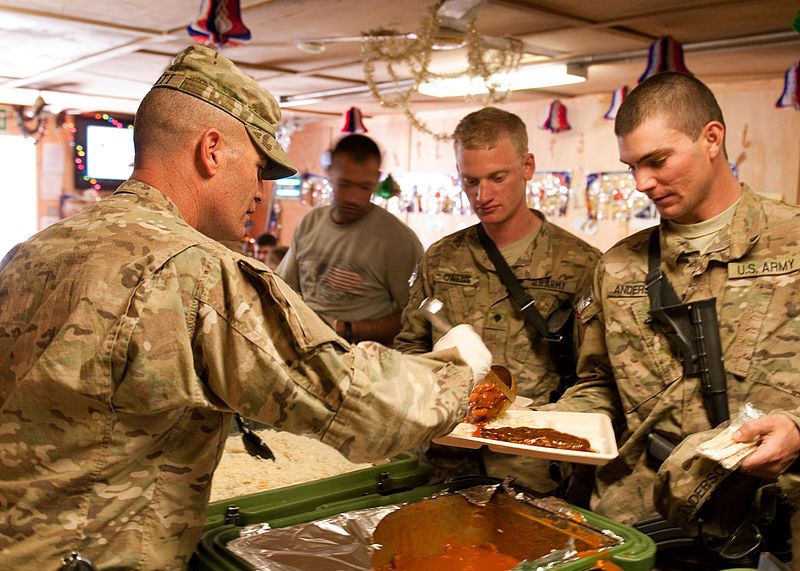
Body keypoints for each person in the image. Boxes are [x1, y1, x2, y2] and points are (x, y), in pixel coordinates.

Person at [0, 45, 493, 569]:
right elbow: (368, 412)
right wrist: (460, 371)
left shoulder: (33, 251)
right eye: (258, 168)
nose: (260, 194)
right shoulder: (197, 271)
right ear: (212, 150)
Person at [549, 72, 800, 566]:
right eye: (632, 166)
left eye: (657, 161)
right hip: (641, 520)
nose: (642, 183)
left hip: (774, 522)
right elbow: (599, 383)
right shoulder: (617, 266)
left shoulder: (793, 245)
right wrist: (534, 424)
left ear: (711, 138)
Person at [394, 107, 601, 494]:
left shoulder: (580, 264)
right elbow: (409, 347)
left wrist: (543, 419)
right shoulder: (441, 259)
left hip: (533, 463)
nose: (482, 195)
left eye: (497, 177)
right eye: (469, 180)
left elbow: (595, 375)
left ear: (527, 167)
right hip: (443, 458)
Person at [276, 134, 423, 346]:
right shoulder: (310, 223)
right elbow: (282, 288)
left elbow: (416, 316)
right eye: (345, 184)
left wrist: (348, 330)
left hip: (365, 368)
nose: (353, 197)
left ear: (377, 179)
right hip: (305, 356)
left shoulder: (399, 241)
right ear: (329, 175)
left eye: (364, 187)